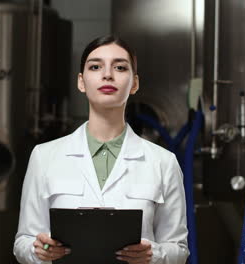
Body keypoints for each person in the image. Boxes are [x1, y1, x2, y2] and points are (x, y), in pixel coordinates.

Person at [14, 35, 189, 264]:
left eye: (119, 67)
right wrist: (39, 251)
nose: (107, 74)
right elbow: (23, 241)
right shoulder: (44, 156)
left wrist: (153, 255)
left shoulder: (163, 162)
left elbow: (179, 249)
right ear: (81, 81)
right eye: (95, 66)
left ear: (134, 83)